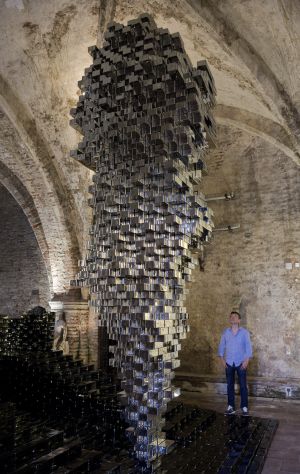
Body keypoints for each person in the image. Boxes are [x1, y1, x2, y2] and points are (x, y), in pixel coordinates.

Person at [218, 311, 253, 416]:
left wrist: (247, 360)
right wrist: (222, 360)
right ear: (229, 320)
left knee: (243, 385)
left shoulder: (244, 333)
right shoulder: (225, 332)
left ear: (239, 320)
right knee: (229, 385)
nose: (233, 318)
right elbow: (221, 346)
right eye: (231, 317)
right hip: (228, 362)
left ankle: (244, 407)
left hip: (241, 363)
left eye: (235, 317)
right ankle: (231, 406)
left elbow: (248, 347)